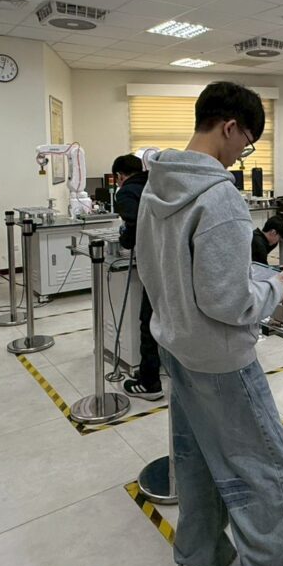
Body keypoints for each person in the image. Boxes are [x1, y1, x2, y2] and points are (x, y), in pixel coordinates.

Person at [137, 82, 283, 566]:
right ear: (230, 127)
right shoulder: (219, 196)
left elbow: (156, 268)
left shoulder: (156, 184)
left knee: (199, 461)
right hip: (222, 362)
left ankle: (202, 552)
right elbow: (229, 302)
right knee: (271, 478)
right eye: (245, 144)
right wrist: (274, 289)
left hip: (177, 347)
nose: (240, 156)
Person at [111, 153, 162, 401]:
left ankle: (150, 383)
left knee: (148, 321)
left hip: (155, 265)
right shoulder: (157, 183)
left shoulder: (126, 193)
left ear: (119, 176)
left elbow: (136, 226)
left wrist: (125, 238)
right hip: (176, 260)